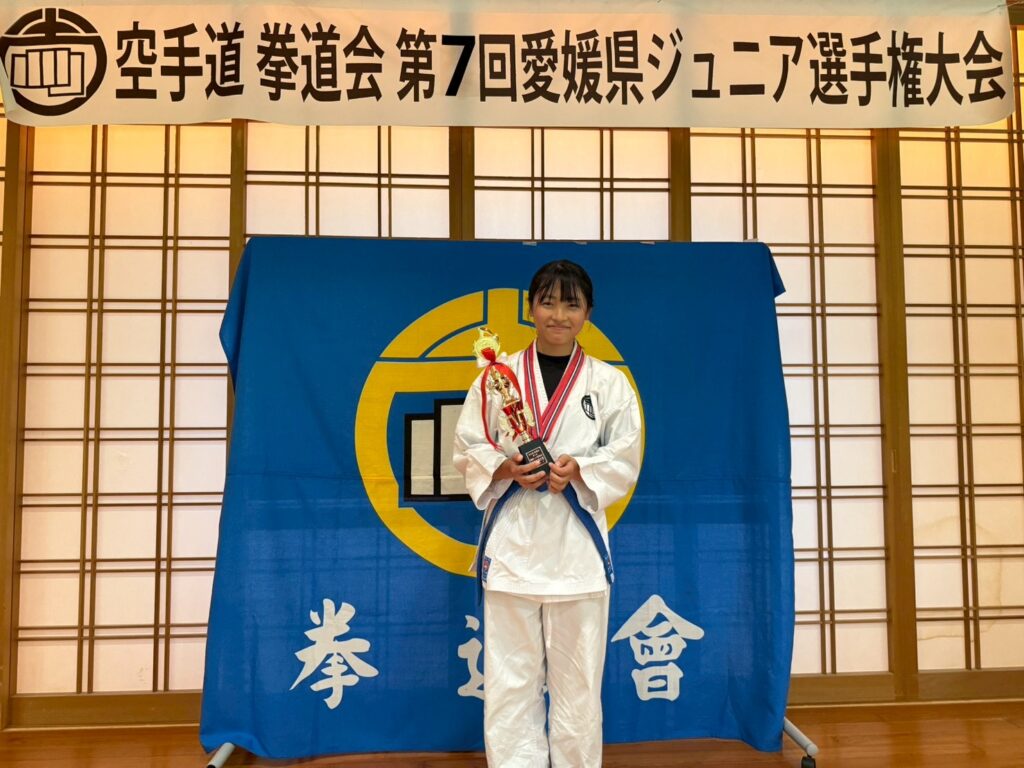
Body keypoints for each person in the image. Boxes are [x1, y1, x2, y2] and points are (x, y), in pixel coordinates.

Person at [453, 259, 642, 768]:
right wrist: (505, 467)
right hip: (513, 550)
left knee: (578, 684)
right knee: (510, 684)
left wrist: (580, 469)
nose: (559, 315)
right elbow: (468, 445)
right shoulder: (497, 378)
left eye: (571, 304)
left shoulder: (608, 383)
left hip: (577, 553)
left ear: (588, 313)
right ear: (530, 308)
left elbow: (625, 454)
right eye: (548, 302)